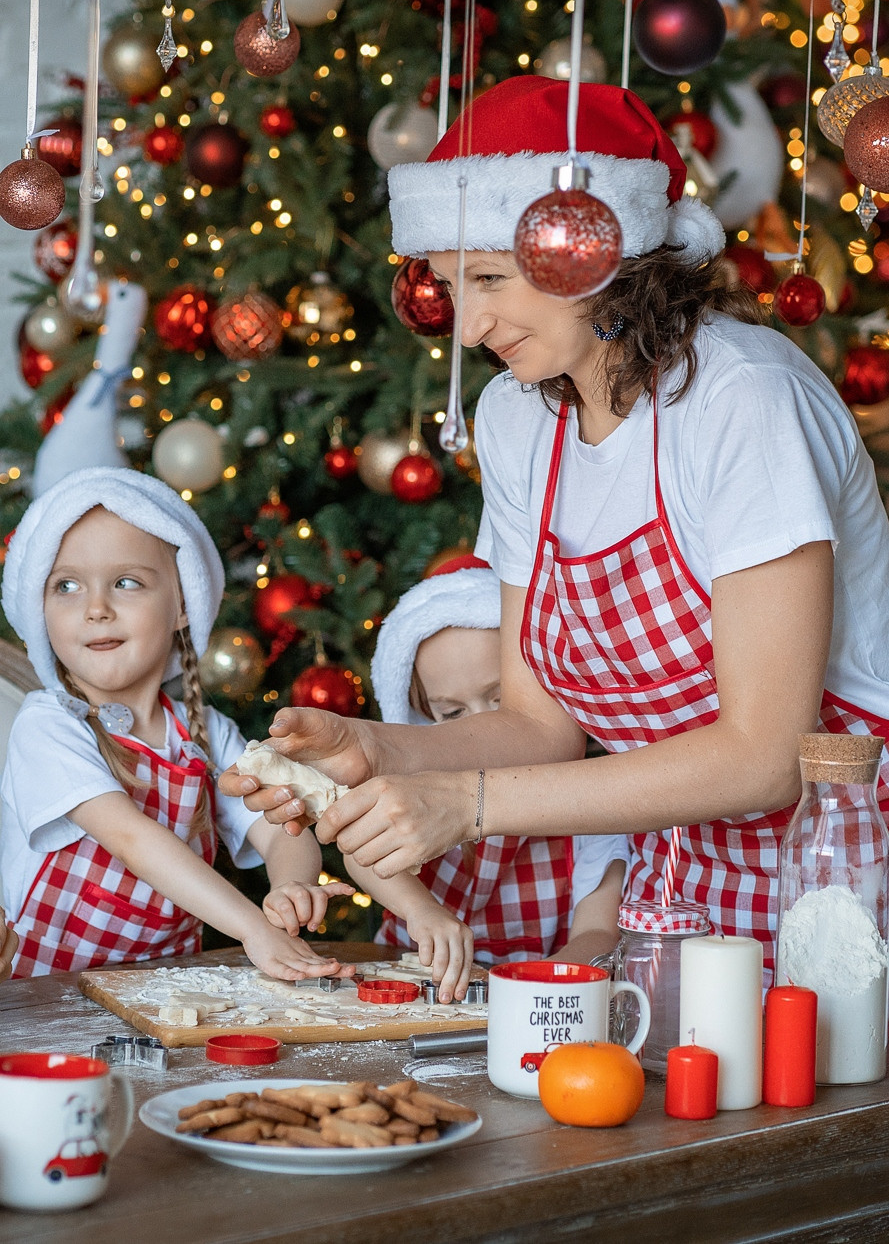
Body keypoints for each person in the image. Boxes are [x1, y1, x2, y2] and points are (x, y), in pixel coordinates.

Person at [223, 76, 889, 986]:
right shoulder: (517, 418)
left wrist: (469, 803)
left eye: (492, 279)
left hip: (847, 878)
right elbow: (542, 723)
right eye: (452, 286)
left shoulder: (741, 399)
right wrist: (374, 749)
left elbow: (767, 756)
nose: (468, 329)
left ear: (599, 246)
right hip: (683, 876)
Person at [0, 467, 354, 981]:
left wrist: (291, 884)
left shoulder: (207, 734)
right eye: (67, 586)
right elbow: (131, 838)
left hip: (165, 992)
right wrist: (254, 927)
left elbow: (283, 822)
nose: (96, 608)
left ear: (183, 605)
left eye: (126, 582)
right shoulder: (49, 725)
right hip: (47, 996)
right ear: (41, 610)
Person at [368, 554, 627, 967]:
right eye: (452, 714)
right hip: (407, 981)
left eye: (502, 700)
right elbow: (358, 852)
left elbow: (597, 931)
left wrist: (530, 985)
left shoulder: (592, 800)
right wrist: (423, 912)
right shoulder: (417, 783)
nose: (483, 729)